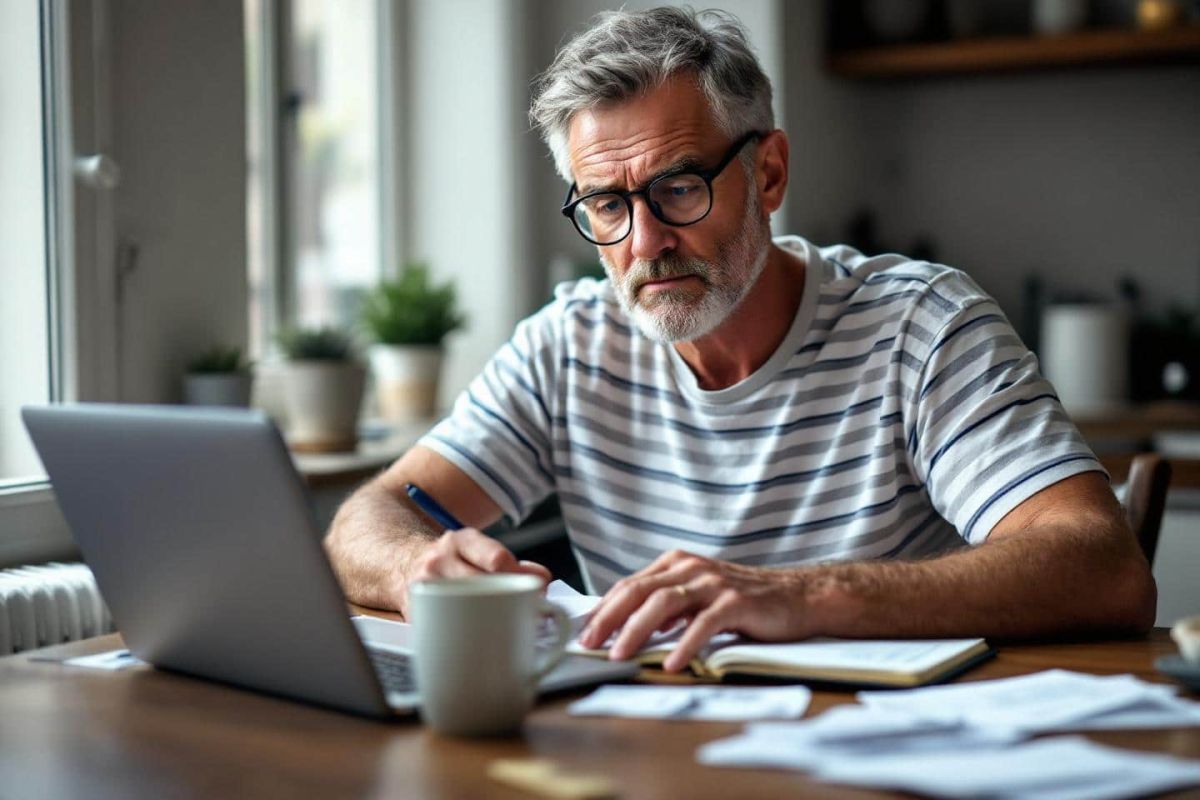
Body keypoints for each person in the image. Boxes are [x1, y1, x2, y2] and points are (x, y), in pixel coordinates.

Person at [325, 7, 1155, 672]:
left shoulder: (922, 326)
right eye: (607, 205)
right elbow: (369, 517)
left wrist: (804, 597)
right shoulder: (568, 346)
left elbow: (1103, 568)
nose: (645, 242)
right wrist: (413, 567)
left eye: (679, 187)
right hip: (648, 749)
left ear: (769, 173)